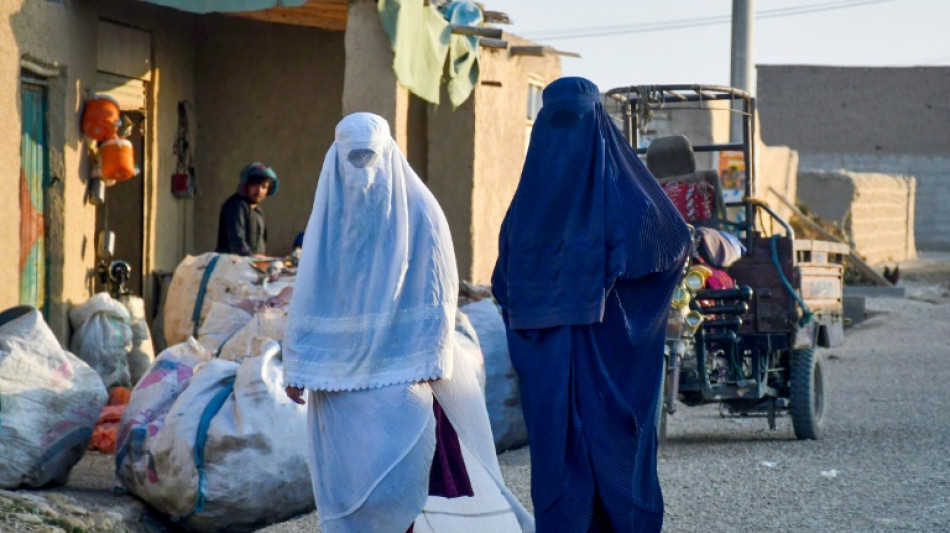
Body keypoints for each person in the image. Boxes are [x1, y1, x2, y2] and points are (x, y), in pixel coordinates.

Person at [282, 113, 533, 533]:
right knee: (353, 488)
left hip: (405, 375)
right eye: (353, 158)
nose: (362, 171)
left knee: (406, 485)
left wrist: (430, 356)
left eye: (370, 157)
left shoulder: (421, 212)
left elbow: (437, 288)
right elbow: (310, 296)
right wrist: (298, 366)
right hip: (340, 384)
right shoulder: (329, 217)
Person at [492, 77, 690, 532]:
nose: (566, 134)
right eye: (557, 123)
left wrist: (605, 299)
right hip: (557, 359)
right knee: (562, 467)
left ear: (596, 123)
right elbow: (505, 283)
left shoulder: (549, 200)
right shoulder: (537, 203)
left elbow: (670, 243)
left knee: (609, 455)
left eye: (574, 121)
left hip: (605, 353)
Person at [215, 162, 278, 256]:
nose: (259, 191)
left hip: (251, 267)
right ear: (246, 185)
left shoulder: (258, 211)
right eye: (255, 185)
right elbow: (237, 241)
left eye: (264, 187)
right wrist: (252, 258)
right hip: (232, 267)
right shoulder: (236, 205)